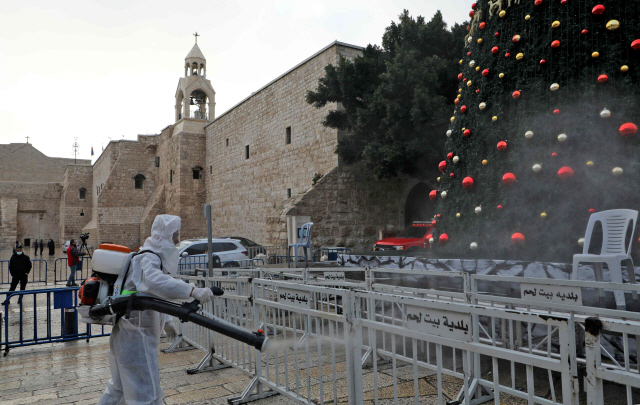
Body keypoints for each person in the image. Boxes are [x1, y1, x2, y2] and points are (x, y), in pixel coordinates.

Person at [98, 214, 214, 405]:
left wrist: (167, 322)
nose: (177, 240)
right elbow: (155, 283)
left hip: (131, 332)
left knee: (118, 389)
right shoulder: (148, 258)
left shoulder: (148, 256)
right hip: (137, 335)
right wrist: (192, 290)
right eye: (175, 235)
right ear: (165, 235)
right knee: (144, 392)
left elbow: (152, 295)